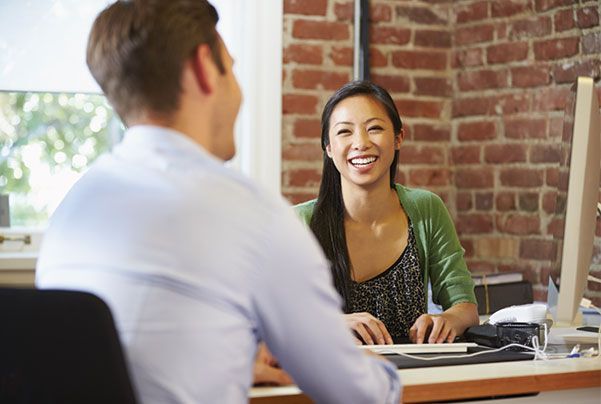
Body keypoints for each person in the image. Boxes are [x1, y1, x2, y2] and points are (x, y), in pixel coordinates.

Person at [35, 2, 401, 403]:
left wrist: (225, 361)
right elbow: (356, 393)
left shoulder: (72, 211)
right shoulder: (250, 214)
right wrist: (390, 372)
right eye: (232, 67)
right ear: (204, 68)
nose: (239, 93)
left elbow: (125, 359)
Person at [295, 81, 479, 345]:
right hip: (328, 378)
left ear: (398, 138)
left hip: (416, 376)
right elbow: (268, 317)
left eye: (375, 129)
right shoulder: (299, 224)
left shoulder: (426, 209)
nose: (360, 143)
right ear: (328, 148)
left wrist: (447, 320)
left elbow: (466, 307)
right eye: (345, 132)